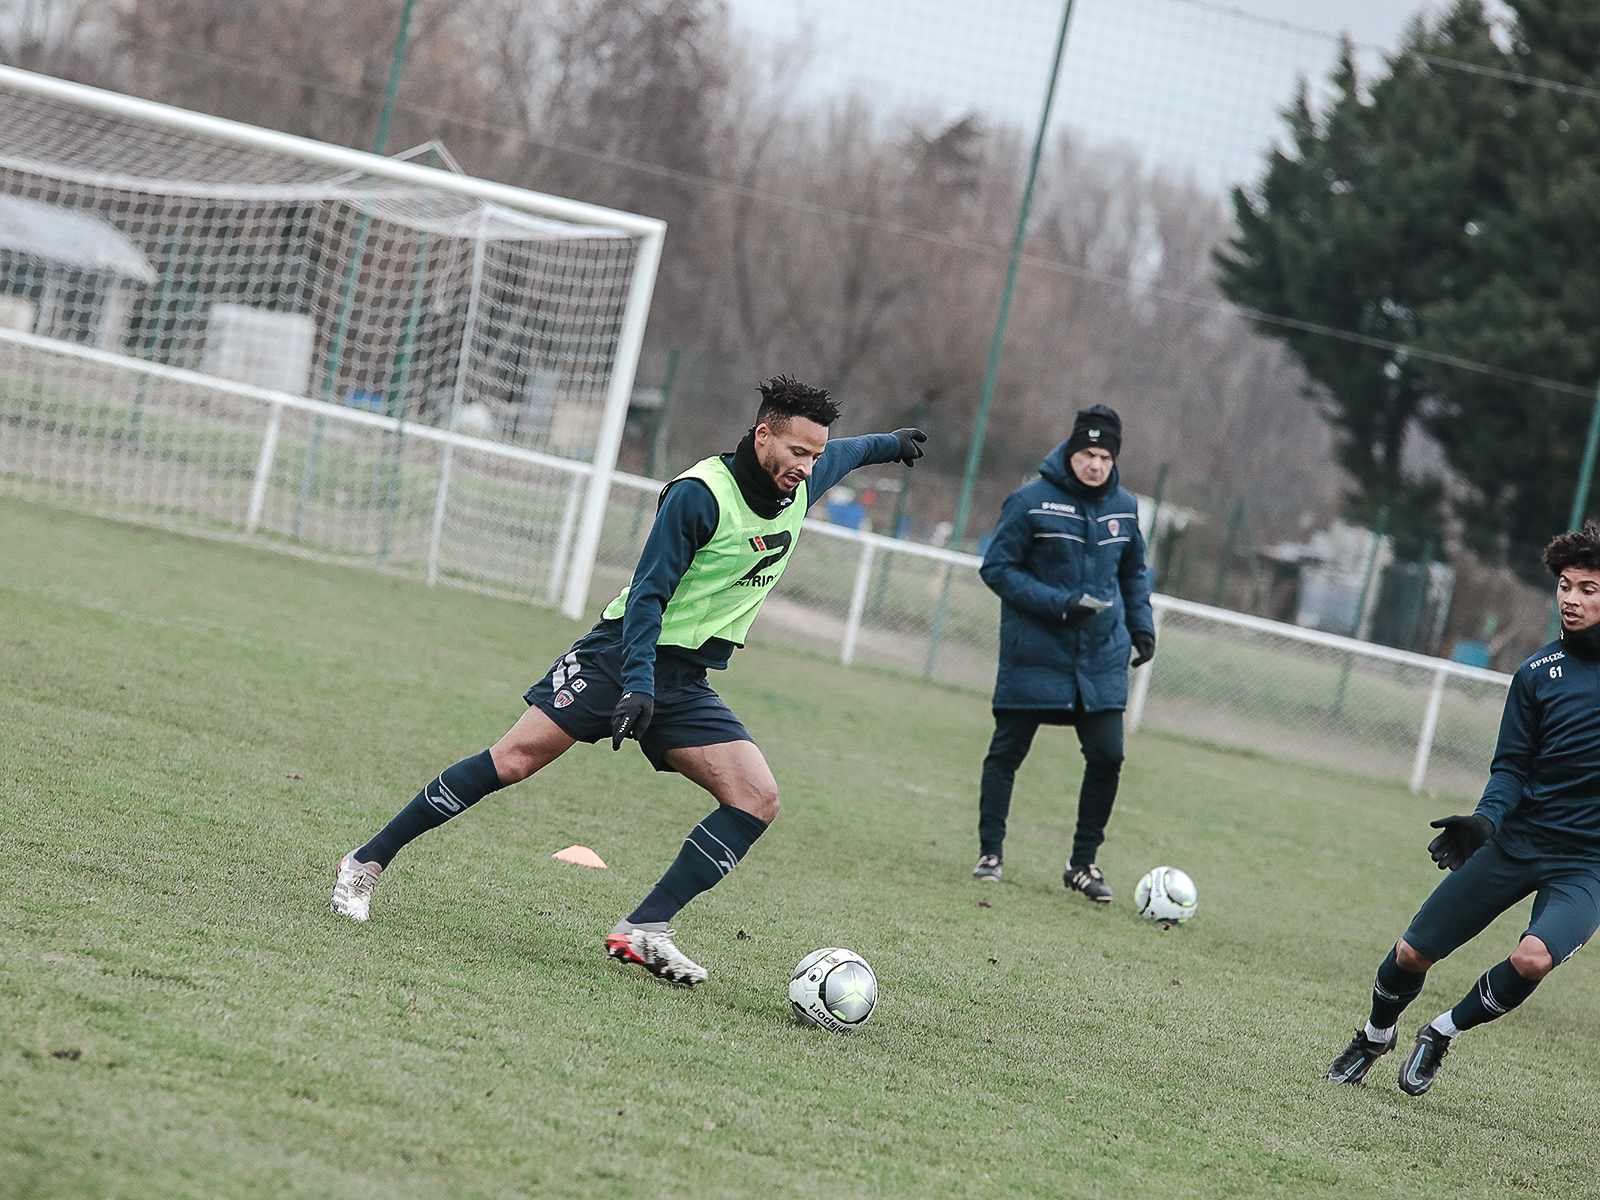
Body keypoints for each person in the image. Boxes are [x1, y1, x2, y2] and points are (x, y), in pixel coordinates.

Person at [329, 376, 927, 986]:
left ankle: (645, 928)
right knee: (511, 761)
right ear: (763, 435)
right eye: (798, 452)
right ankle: (365, 863)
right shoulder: (700, 496)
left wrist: (894, 443)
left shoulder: (804, 477)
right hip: (619, 657)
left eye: (815, 455)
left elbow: (849, 452)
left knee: (757, 799)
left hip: (686, 679)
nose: (808, 466)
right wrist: (636, 682)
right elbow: (647, 596)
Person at [1325, 521, 1600, 1095]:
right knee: (1410, 953)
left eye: (1588, 589)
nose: (1571, 600)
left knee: (1532, 961)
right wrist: (1485, 820)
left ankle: (1441, 1032)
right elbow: (1511, 767)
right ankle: (1377, 1034)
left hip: (1586, 864)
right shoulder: (1536, 675)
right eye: (1565, 587)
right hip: (1516, 841)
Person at [970, 404, 1154, 901]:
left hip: (1100, 657)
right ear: (1071, 451)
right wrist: (1061, 605)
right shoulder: (1030, 501)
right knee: (1007, 753)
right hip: (1036, 653)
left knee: (1108, 754)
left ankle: (1083, 864)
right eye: (1087, 453)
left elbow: (1133, 573)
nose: (1095, 464)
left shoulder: (1126, 507)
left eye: (1104, 456)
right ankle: (991, 852)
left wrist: (1143, 626)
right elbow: (997, 569)